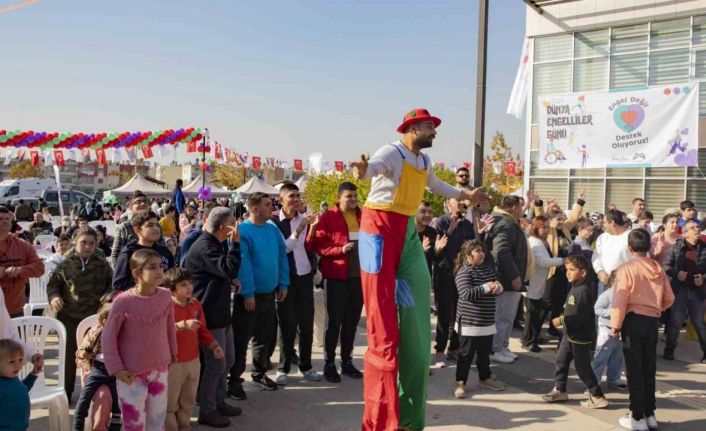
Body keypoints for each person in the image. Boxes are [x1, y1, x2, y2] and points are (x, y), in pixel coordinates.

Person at [349, 108, 487, 431]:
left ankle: (410, 420)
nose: (434, 131)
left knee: (415, 328)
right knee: (383, 335)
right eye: (429, 126)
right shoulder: (392, 151)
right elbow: (374, 168)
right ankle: (381, 422)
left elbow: (436, 185)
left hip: (406, 233)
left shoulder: (423, 162)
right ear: (411, 128)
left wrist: (465, 194)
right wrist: (363, 169)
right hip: (377, 233)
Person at [102, 249, 177, 431]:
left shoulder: (166, 296)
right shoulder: (123, 301)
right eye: (152, 267)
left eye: (161, 266)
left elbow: (169, 325)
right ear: (136, 273)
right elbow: (109, 336)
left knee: (157, 419)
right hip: (131, 373)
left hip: (159, 369)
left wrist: (172, 353)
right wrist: (116, 369)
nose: (159, 271)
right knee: (133, 422)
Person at [610, 229, 675, 431]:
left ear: (630, 248)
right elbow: (670, 298)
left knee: (634, 369)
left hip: (633, 320)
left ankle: (637, 416)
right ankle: (650, 413)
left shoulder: (626, 268)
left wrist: (615, 324)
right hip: (652, 320)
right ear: (648, 247)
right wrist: (656, 308)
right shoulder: (657, 268)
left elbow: (619, 300)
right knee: (649, 368)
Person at [185, 207, 241, 426]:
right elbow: (229, 268)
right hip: (209, 314)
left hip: (220, 312)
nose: (236, 227)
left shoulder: (215, 244)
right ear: (223, 227)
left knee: (228, 360)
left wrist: (230, 281)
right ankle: (208, 410)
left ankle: (218, 401)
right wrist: (235, 245)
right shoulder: (206, 246)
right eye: (233, 223)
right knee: (216, 363)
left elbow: (222, 274)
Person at [229, 193, 289, 398]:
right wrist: (247, 293)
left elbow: (282, 256)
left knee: (265, 337)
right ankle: (234, 380)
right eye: (267, 204)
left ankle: (259, 372)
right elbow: (242, 264)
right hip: (249, 296)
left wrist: (283, 282)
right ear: (254, 209)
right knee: (241, 339)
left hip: (269, 294)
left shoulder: (272, 229)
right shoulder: (243, 231)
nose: (271, 206)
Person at [47, 226, 113, 401]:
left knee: (95, 357)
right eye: (83, 242)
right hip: (69, 316)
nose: (87, 246)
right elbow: (53, 285)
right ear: (75, 242)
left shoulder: (102, 264)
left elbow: (111, 284)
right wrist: (54, 298)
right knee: (69, 357)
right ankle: (66, 394)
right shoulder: (65, 264)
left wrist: (109, 294)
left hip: (94, 318)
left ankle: (95, 394)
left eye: (92, 243)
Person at [165, 267, 234, 431]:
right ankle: (170, 425)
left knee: (188, 399)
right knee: (171, 401)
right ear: (172, 289)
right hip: (174, 363)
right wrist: (182, 325)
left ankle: (184, 425)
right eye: (183, 284)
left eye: (190, 283)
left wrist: (213, 345)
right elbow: (162, 331)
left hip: (193, 361)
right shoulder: (167, 307)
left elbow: (203, 330)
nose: (189, 287)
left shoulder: (195, 304)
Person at [313, 182, 365, 383]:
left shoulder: (363, 216)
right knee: (334, 322)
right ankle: (329, 364)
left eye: (354, 196)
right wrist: (340, 250)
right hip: (336, 277)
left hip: (358, 278)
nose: (352, 200)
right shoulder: (328, 218)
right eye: (348, 197)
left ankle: (347, 362)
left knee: (351, 323)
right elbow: (320, 246)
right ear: (339, 197)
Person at [543, 255, 608, 409]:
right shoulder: (575, 288)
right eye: (567, 270)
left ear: (583, 273)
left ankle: (597, 395)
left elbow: (583, 317)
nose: (568, 273)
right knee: (561, 361)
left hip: (580, 337)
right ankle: (560, 390)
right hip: (569, 335)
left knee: (582, 368)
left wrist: (563, 320)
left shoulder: (583, 291)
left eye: (572, 270)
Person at [270, 184, 320, 385]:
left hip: (305, 277)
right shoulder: (274, 223)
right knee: (288, 324)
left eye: (298, 196)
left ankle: (306, 365)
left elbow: (309, 247)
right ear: (281, 200)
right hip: (287, 279)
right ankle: (283, 367)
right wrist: (298, 230)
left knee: (307, 324)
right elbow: (283, 250)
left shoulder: (305, 219)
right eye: (292, 196)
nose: (296, 200)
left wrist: (313, 228)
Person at [453, 240, 505, 399]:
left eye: (482, 250)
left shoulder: (487, 269)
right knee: (466, 355)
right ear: (468, 256)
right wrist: (487, 287)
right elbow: (466, 294)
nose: (481, 253)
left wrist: (498, 288)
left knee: (484, 353)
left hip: (486, 321)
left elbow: (496, 284)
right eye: (476, 251)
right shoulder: (464, 272)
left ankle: (485, 377)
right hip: (470, 322)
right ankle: (460, 382)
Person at [484, 195, 527, 365]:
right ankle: (495, 349)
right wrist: (514, 275)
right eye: (521, 207)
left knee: (507, 316)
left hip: (509, 280)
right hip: (505, 280)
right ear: (514, 207)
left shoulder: (507, 221)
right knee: (502, 316)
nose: (522, 211)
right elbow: (501, 252)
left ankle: (502, 346)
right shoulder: (505, 223)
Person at [432, 197, 475, 367]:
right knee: (444, 314)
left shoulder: (467, 224)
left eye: (460, 200)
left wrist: (481, 234)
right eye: (455, 200)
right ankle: (440, 350)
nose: (459, 203)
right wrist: (449, 231)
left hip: (461, 274)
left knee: (460, 313)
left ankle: (454, 348)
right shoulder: (441, 222)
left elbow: (471, 245)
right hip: (444, 274)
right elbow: (437, 249)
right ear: (448, 205)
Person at [662, 220, 706, 363]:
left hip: (697, 291)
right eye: (692, 228)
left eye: (698, 227)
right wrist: (677, 273)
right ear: (685, 233)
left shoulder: (705, 248)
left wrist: (704, 278)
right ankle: (669, 351)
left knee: (699, 322)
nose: (697, 230)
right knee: (676, 321)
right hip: (679, 290)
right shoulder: (676, 248)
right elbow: (666, 266)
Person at [73, 304, 121, 431]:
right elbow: (80, 353)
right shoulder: (95, 332)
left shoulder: (122, 333)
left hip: (116, 371)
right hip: (97, 369)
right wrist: (87, 367)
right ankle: (79, 424)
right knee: (88, 399)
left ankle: (115, 425)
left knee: (118, 398)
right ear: (105, 321)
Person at [523, 216, 564, 352]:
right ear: (536, 228)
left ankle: (533, 337)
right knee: (532, 315)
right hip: (533, 284)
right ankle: (528, 341)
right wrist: (562, 261)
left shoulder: (540, 241)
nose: (547, 230)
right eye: (544, 227)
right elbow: (542, 262)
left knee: (535, 313)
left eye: (548, 227)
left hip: (539, 282)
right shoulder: (534, 242)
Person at [112, 210, 174, 292]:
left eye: (157, 225)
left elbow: (174, 277)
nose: (156, 228)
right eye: (150, 225)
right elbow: (118, 284)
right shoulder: (129, 252)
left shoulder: (164, 251)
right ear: (137, 230)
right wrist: (147, 283)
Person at [0, 205, 44, 317]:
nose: (4, 222)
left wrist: (20, 270)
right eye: (0, 219)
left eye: (7, 219)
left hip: (15, 310)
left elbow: (40, 268)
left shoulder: (23, 245)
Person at [592, 272, 626, 390]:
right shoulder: (606, 295)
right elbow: (597, 309)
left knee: (617, 357)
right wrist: (611, 313)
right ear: (613, 281)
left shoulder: (625, 294)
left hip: (619, 331)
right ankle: (594, 382)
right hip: (606, 330)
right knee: (601, 356)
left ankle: (613, 379)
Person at [0, 339, 39, 431]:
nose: (18, 365)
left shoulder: (13, 378)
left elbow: (22, 389)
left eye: (20, 360)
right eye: (11, 362)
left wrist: (33, 375)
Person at [592, 209, 631, 292]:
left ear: (612, 222)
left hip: (625, 285)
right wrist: (600, 271)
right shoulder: (602, 237)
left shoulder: (631, 237)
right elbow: (596, 256)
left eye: (605, 222)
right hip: (604, 285)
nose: (603, 225)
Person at [110, 192, 151, 265]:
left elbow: (163, 251)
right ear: (131, 208)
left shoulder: (156, 226)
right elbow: (115, 256)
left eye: (145, 201)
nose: (142, 204)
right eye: (138, 202)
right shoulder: (124, 227)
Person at [415, 200, 443, 278]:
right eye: (423, 211)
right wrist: (422, 250)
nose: (427, 215)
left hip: (426, 279)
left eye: (430, 212)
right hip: (408, 281)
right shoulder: (407, 232)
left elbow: (434, 260)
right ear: (414, 212)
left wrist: (437, 251)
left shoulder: (433, 232)